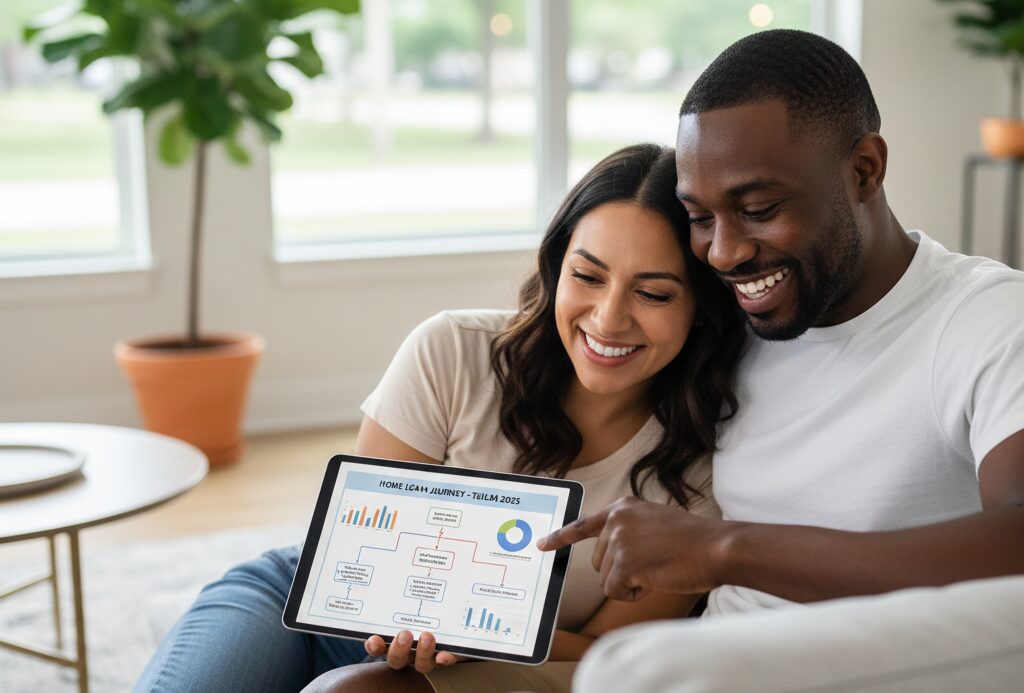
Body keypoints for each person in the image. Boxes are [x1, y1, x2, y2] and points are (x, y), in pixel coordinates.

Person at [133, 143, 746, 693]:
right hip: (297, 611)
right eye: (587, 276)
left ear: (699, 309)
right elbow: (361, 560)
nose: (609, 319)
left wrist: (470, 633)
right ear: (557, 269)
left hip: (471, 670)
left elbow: (611, 654)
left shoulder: (707, 463)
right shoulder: (453, 348)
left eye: (654, 293)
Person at [537, 29, 1024, 690]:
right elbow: (601, 329)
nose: (725, 252)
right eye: (700, 216)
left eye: (759, 209)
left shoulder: (987, 318)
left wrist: (722, 550)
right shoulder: (731, 315)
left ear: (864, 170)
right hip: (703, 657)